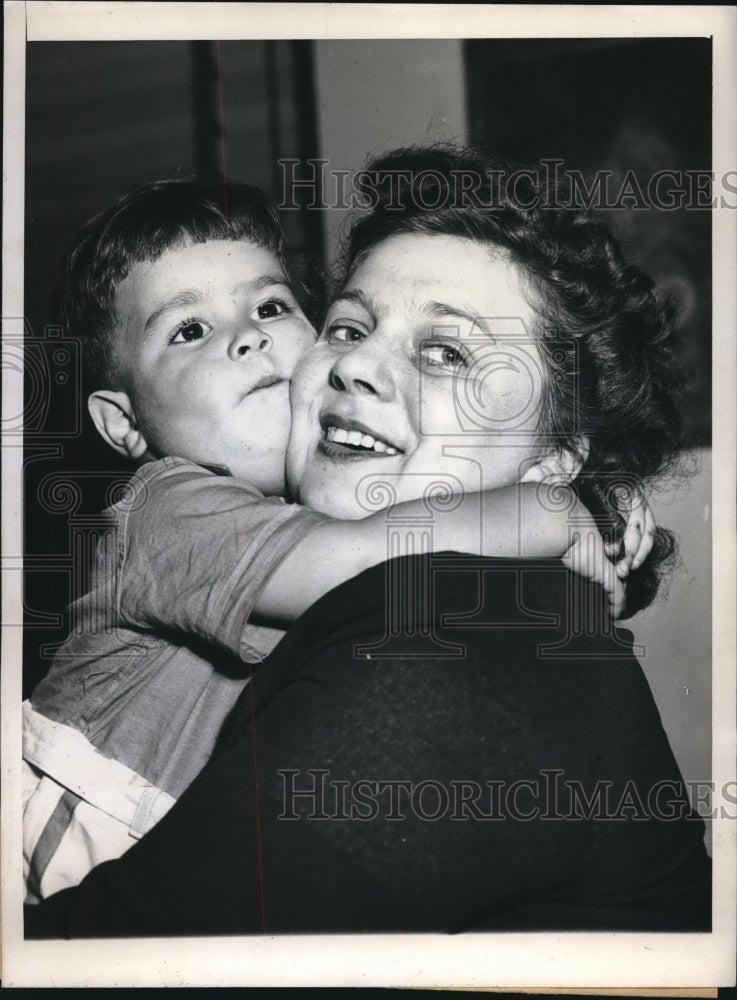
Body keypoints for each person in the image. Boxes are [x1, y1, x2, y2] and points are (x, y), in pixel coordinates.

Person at [25, 145, 709, 937]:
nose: (356, 367)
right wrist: (557, 510)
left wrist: (558, 504)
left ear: (556, 454)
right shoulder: (183, 507)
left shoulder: (466, 640)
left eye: (445, 352)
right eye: (349, 326)